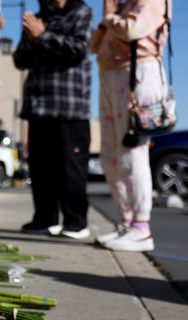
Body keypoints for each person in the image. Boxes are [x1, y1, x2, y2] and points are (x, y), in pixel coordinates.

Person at [90, 0, 171, 251]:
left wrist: (111, 17)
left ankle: (142, 228)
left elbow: (132, 30)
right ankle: (127, 222)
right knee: (110, 155)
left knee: (132, 152)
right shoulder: (122, 7)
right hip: (111, 76)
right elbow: (94, 46)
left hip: (138, 75)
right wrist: (110, 19)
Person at [12, 0, 93, 239]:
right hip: (38, 105)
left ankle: (75, 223)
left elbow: (78, 49)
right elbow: (20, 60)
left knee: (71, 167)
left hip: (70, 106)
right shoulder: (37, 18)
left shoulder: (81, 12)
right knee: (40, 168)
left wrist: (43, 36)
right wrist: (31, 38)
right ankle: (44, 219)